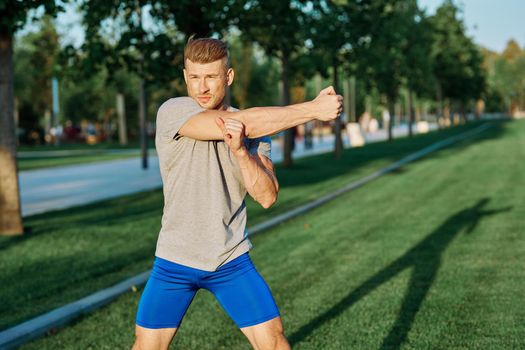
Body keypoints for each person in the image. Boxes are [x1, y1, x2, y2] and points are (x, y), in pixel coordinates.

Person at [133, 37, 342, 350]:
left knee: (273, 341)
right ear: (185, 76)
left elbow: (268, 197)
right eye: (194, 77)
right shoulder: (173, 111)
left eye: (211, 77)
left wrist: (242, 153)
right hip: (174, 260)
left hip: (229, 259)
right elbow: (237, 122)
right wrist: (313, 109)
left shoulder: (256, 133)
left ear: (228, 77)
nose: (201, 88)